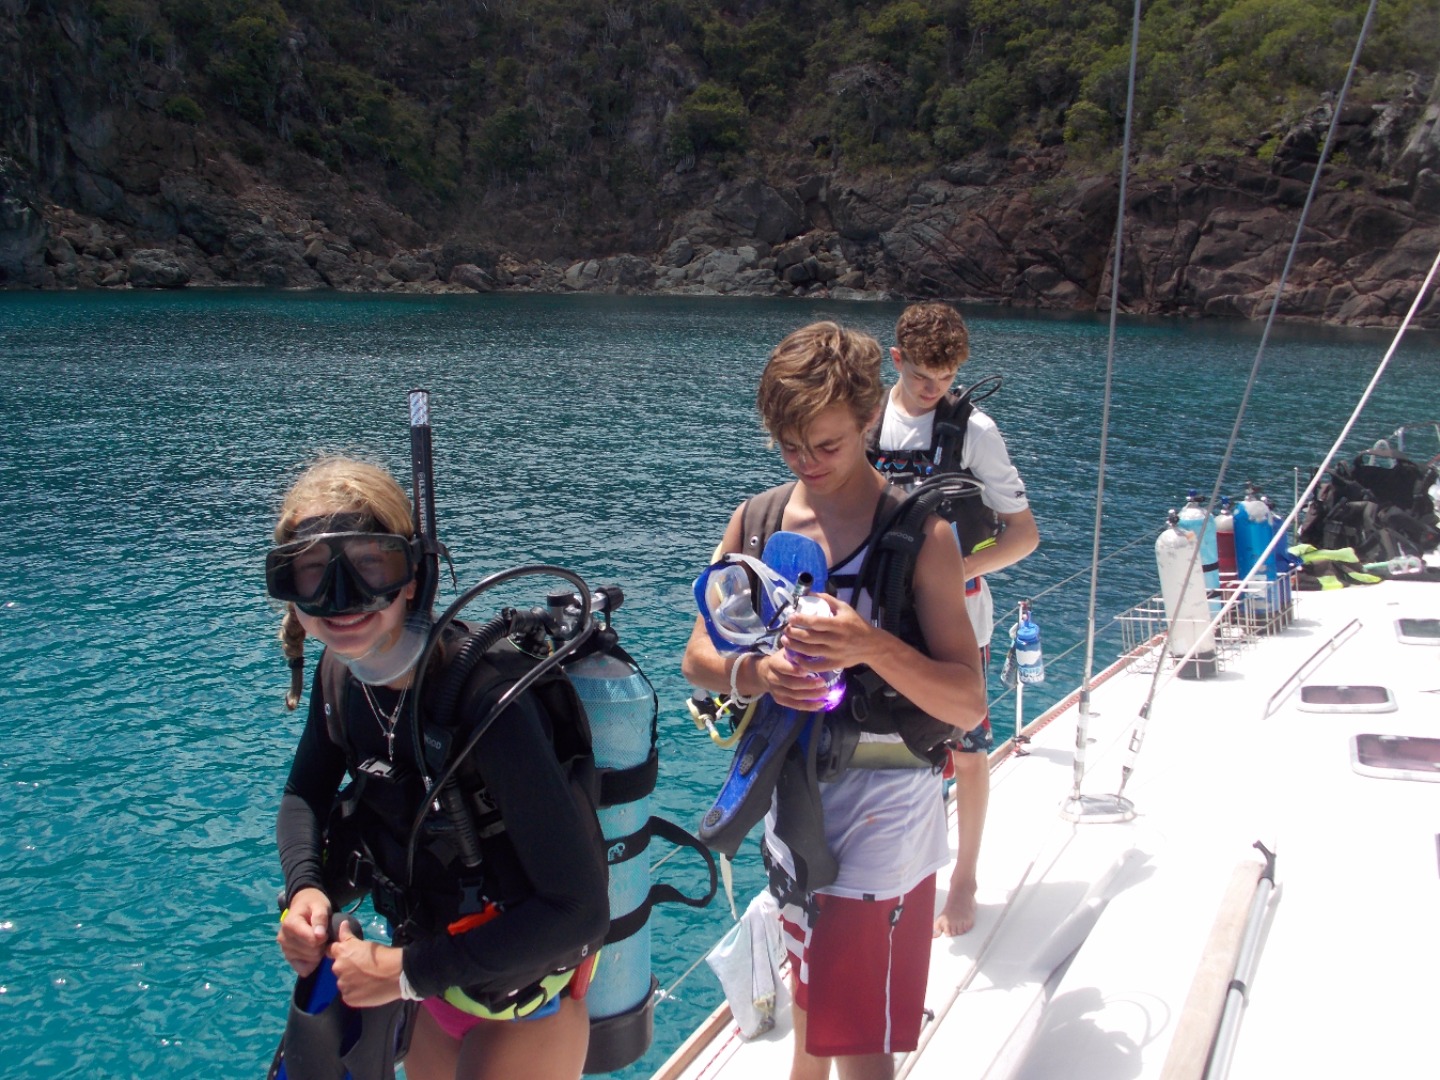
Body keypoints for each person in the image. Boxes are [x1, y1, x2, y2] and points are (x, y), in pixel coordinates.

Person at [682, 322, 988, 1080]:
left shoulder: (921, 536)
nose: (807, 464)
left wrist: (870, 646)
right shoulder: (756, 523)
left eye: (827, 445)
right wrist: (760, 674)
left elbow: (966, 701)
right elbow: (698, 659)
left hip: (886, 809)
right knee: (813, 998)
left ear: (868, 420)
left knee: (858, 1036)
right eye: (790, 447)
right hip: (791, 800)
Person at [269, 456, 609, 1080]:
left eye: (370, 566)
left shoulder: (487, 702)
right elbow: (303, 795)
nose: (341, 600)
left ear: (414, 578)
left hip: (523, 999)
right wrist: (305, 890)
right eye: (313, 572)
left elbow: (578, 911)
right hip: (433, 985)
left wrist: (403, 973)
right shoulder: (340, 676)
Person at [870, 302, 1040, 938]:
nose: (933, 389)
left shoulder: (976, 433)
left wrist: (954, 569)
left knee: (967, 749)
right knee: (880, 742)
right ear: (897, 359)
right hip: (880, 617)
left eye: (946, 378)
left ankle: (963, 877)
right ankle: (890, 873)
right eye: (921, 376)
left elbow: (1023, 535)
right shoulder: (865, 419)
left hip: (962, 619)